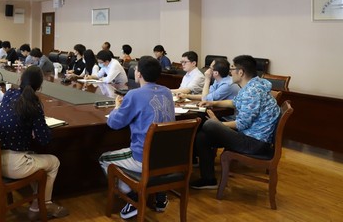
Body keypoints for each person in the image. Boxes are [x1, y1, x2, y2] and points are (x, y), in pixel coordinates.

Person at [99, 56, 175, 218]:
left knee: (104, 159)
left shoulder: (134, 95)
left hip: (143, 157)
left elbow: (114, 123)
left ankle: (135, 194)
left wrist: (117, 108)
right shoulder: (167, 92)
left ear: (138, 74)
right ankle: (158, 192)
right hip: (168, 157)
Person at [191, 55, 280, 189]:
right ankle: (208, 179)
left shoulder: (252, 92)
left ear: (241, 72)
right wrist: (213, 103)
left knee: (209, 124)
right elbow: (235, 102)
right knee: (202, 136)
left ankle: (191, 163)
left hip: (254, 143)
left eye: (232, 69)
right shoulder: (253, 85)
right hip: (251, 137)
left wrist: (218, 124)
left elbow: (242, 124)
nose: (230, 72)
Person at [0, 66, 69, 220]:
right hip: (14, 165)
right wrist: (40, 126)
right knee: (53, 162)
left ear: (20, 79)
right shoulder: (33, 103)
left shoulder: (9, 94)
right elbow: (44, 139)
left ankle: (37, 203)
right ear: (40, 86)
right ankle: (44, 205)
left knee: (35, 158)